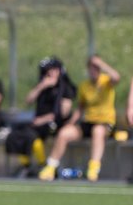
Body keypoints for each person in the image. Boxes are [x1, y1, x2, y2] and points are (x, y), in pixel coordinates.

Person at [39, 54, 120, 183]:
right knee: (64, 133)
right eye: (92, 67)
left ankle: (93, 168)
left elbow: (116, 77)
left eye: (96, 67)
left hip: (105, 123)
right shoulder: (84, 86)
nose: (94, 70)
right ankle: (51, 167)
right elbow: (81, 108)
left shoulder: (106, 81)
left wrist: (101, 63)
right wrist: (70, 123)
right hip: (88, 122)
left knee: (97, 131)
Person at [5, 57, 76, 177]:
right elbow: (28, 100)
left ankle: (43, 165)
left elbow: (63, 113)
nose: (50, 73)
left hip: (53, 124)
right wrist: (41, 86)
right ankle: (26, 165)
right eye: (47, 71)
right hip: (38, 123)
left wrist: (43, 119)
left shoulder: (65, 88)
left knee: (31, 135)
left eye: (53, 70)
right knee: (16, 134)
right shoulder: (43, 87)